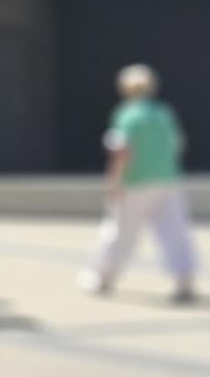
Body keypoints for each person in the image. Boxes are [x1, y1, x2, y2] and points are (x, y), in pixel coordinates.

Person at [79, 64, 197, 302]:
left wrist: (114, 181)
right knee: (174, 231)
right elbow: (178, 143)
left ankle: (102, 277)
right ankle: (185, 279)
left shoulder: (127, 115)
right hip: (167, 180)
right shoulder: (164, 113)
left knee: (120, 231)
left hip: (135, 182)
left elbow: (121, 151)